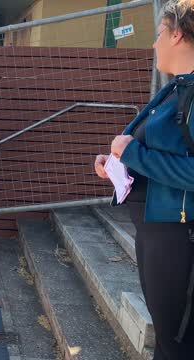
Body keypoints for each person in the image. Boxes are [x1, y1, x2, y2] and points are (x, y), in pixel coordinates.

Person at [94, 1, 194, 357]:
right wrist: (118, 162)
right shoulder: (176, 89)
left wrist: (134, 153)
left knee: (176, 341)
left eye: (158, 35)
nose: (154, 45)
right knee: (168, 338)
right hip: (159, 232)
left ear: (178, 34)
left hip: (179, 237)